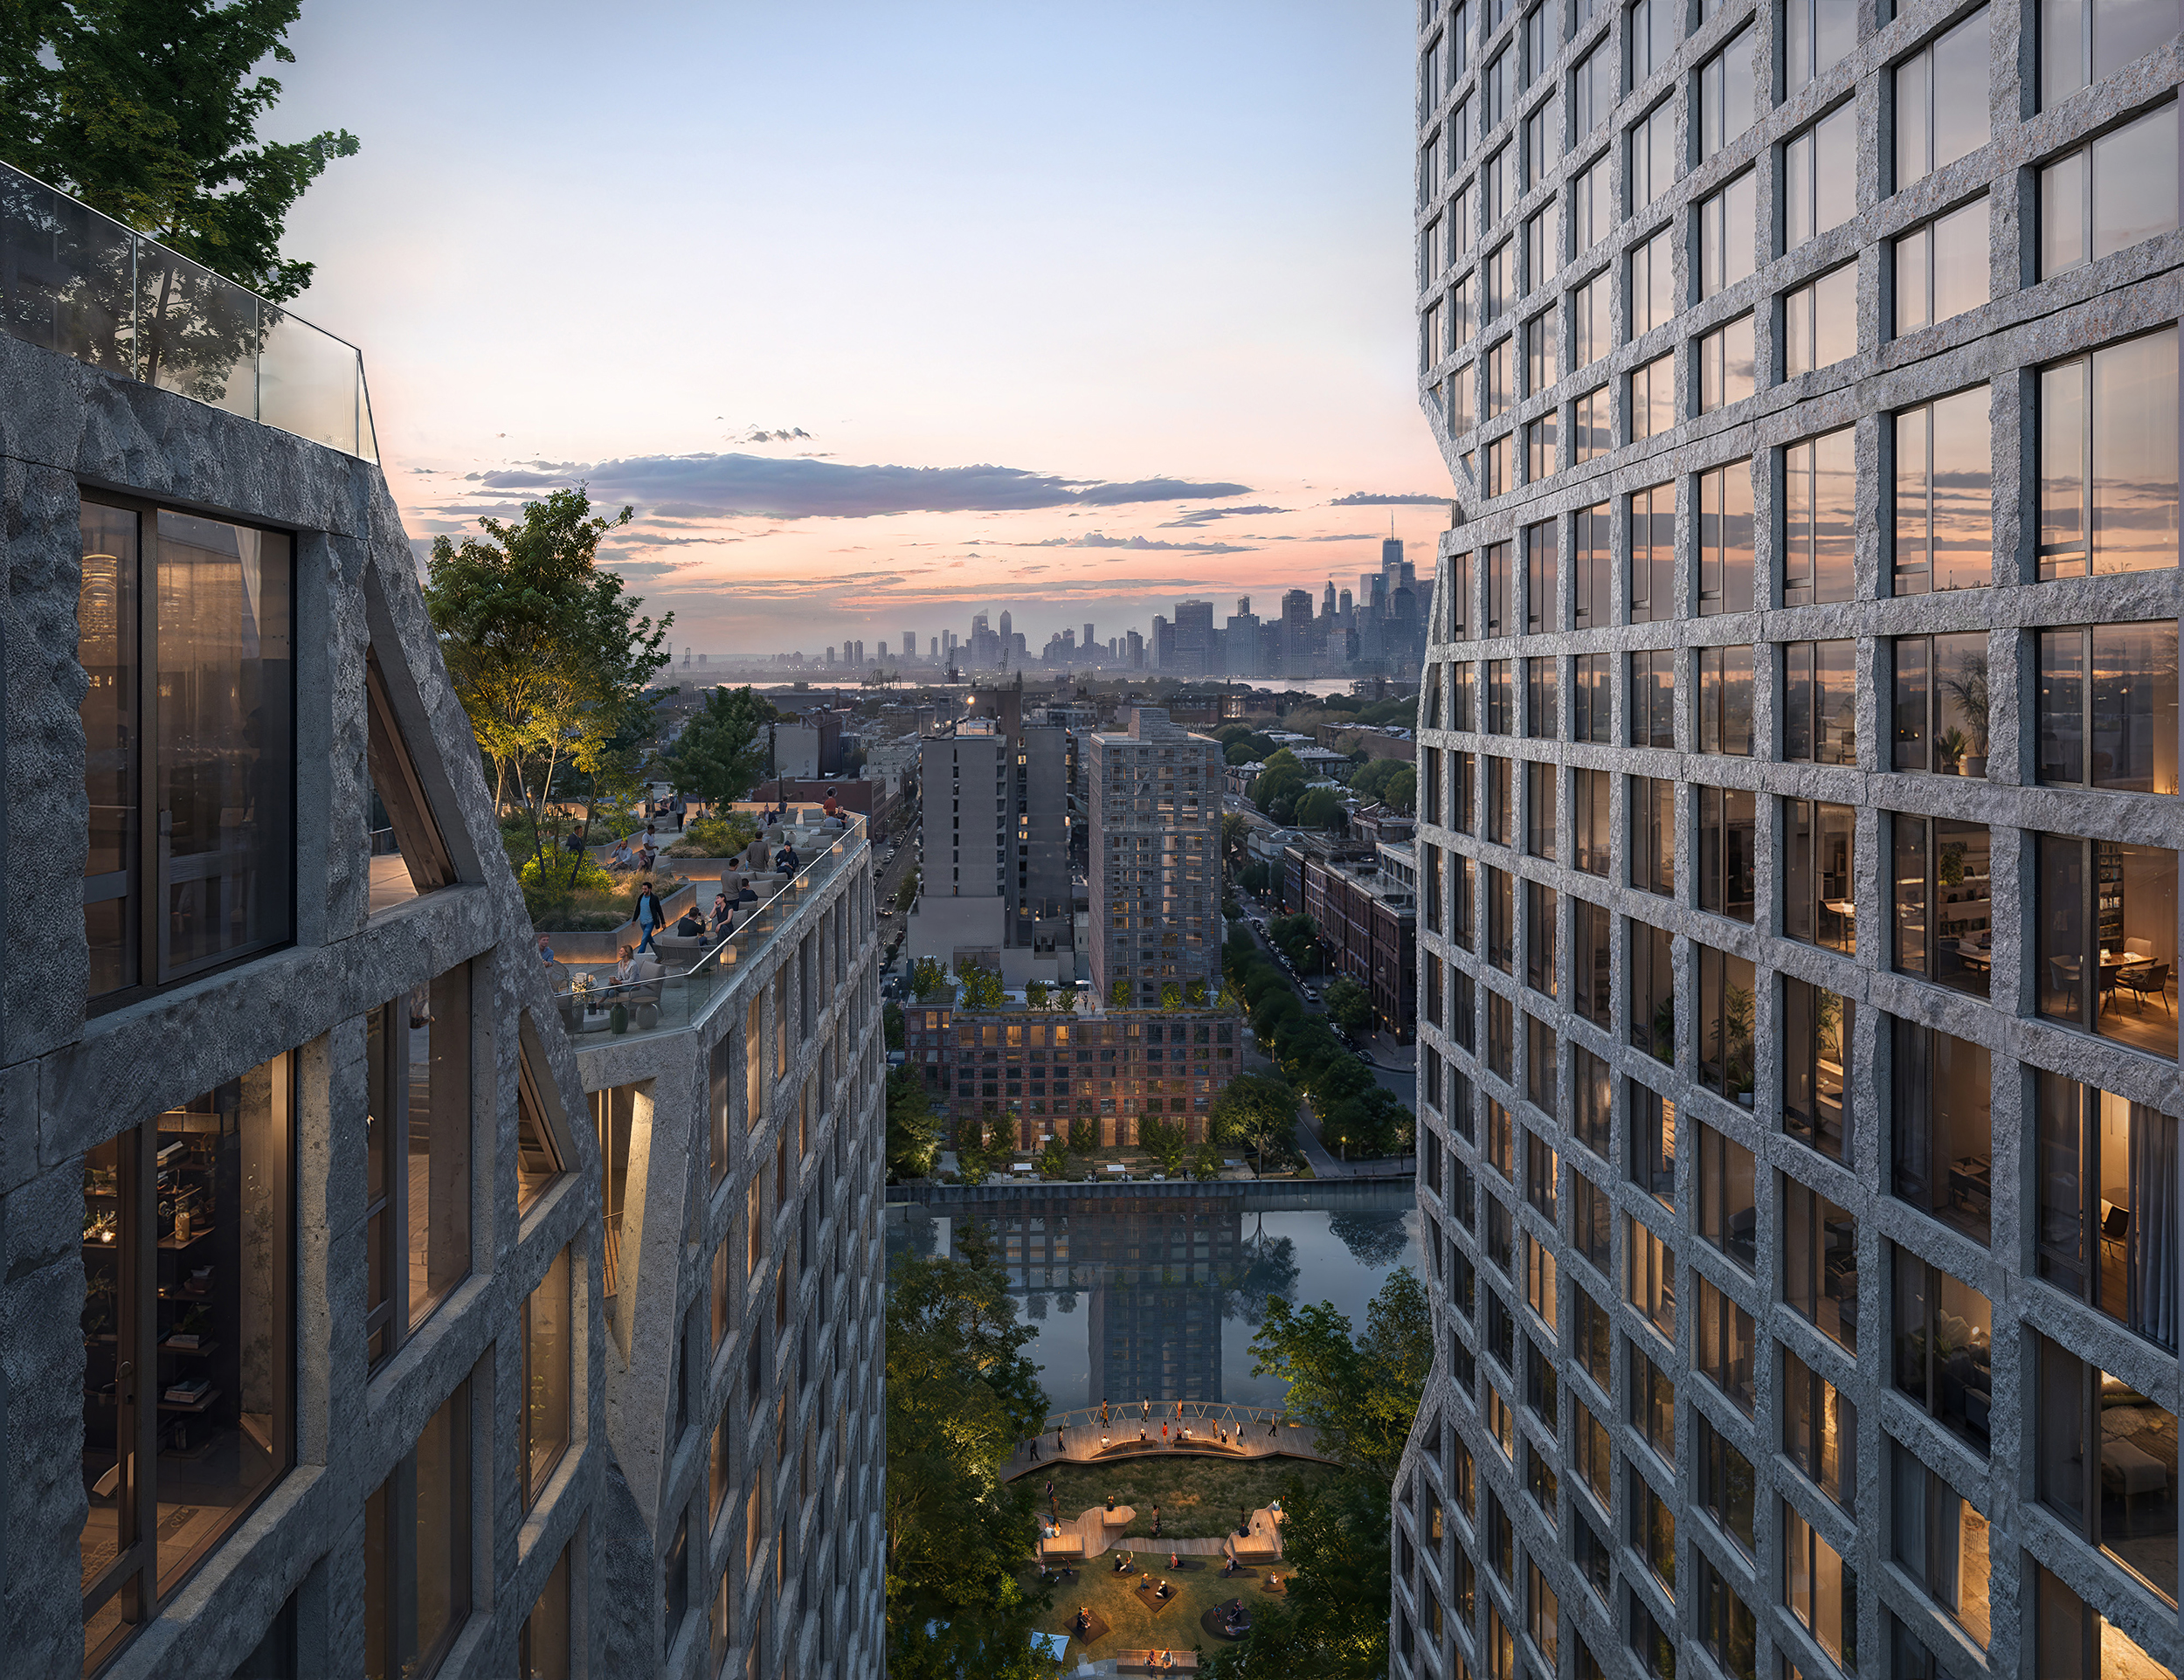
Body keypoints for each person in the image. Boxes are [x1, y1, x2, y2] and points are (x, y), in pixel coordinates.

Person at [634, 881, 666, 954]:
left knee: (644, 939)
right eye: (643, 889)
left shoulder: (654, 898)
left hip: (650, 922)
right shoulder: (641, 897)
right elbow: (637, 909)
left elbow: (659, 910)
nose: (643, 891)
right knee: (649, 938)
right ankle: (659, 953)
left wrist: (663, 922)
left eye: (645, 889)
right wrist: (634, 919)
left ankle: (639, 955)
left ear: (650, 889)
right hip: (642, 922)